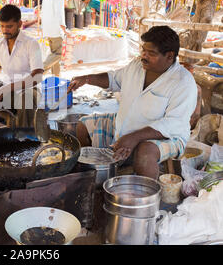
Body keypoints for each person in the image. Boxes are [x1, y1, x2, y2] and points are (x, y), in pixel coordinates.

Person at [68, 26, 198, 180]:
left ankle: (145, 196)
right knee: (83, 126)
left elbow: (173, 123)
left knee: (145, 152)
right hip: (126, 125)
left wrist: (134, 137)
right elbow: (113, 79)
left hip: (167, 136)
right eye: (143, 50)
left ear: (169, 56)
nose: (143, 56)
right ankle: (92, 176)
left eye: (151, 53)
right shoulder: (137, 66)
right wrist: (87, 78)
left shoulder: (183, 82)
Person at [41, 0, 67, 77]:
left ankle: (56, 77)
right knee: (57, 55)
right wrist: (64, 28)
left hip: (48, 29)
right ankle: (40, 71)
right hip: (56, 30)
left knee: (54, 55)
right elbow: (59, 14)